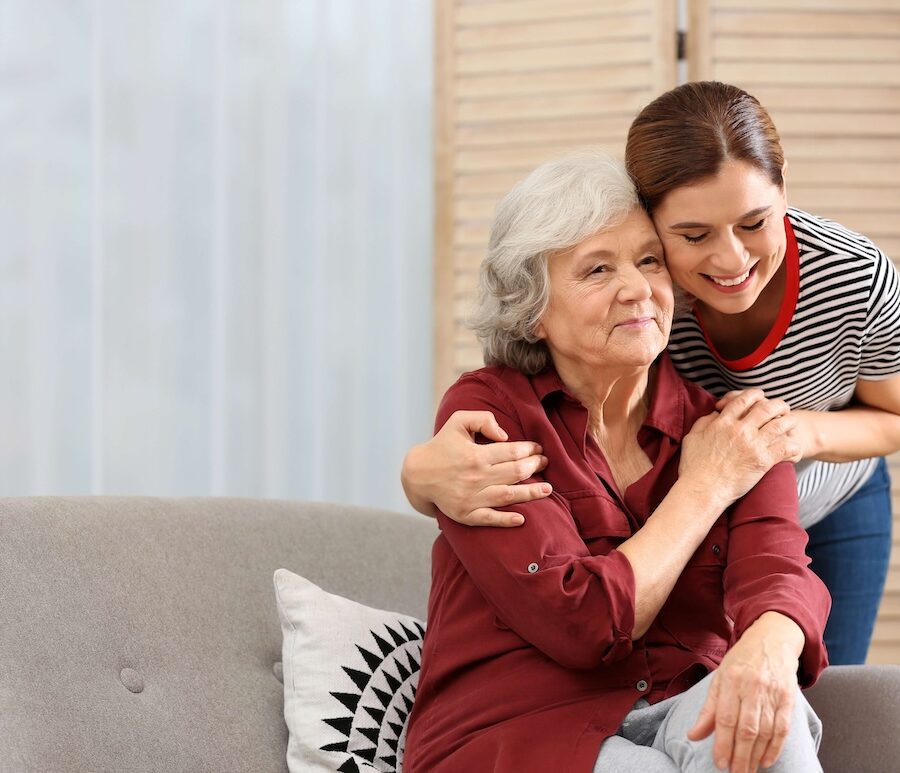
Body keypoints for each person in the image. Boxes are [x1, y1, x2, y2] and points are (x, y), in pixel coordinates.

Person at [402, 81, 900, 665]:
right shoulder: (651, 301)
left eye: (754, 222)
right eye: (692, 236)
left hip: (830, 488)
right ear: (651, 219)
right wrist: (417, 476)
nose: (731, 261)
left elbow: (892, 415)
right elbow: (536, 383)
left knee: (825, 682)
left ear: (783, 186)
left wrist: (795, 434)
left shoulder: (855, 276)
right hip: (715, 493)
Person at [402, 151, 829, 773]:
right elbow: (582, 623)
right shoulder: (490, 414)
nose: (637, 288)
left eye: (649, 260)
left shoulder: (732, 425)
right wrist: (705, 486)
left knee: (769, 717)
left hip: (683, 700)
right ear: (532, 310)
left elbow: (778, 571)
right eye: (597, 269)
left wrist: (769, 644)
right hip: (519, 727)